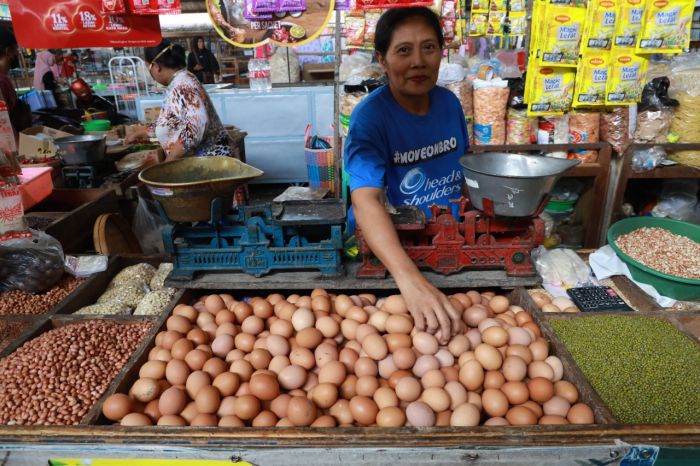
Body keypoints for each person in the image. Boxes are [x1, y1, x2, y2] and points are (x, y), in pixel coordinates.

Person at [344, 7, 469, 344]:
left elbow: (463, 172)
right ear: (382, 60)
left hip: (446, 244)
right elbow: (365, 198)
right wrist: (409, 280)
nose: (418, 61)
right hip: (397, 254)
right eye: (403, 50)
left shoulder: (449, 104)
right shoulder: (369, 119)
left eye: (428, 47)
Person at [124, 41, 234, 161]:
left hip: (211, 163)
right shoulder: (178, 81)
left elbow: (196, 125)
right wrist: (142, 132)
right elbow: (172, 120)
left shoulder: (183, 85)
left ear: (156, 66)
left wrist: (170, 160)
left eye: (148, 68)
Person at [0, 27, 30, 136]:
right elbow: (4, 125)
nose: (17, 53)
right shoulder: (3, 82)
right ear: (8, 51)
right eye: (15, 49)